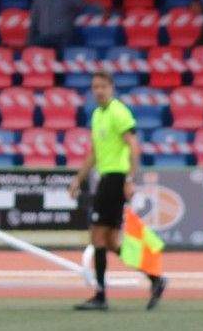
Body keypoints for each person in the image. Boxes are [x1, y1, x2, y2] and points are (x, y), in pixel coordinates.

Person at [68, 71, 166, 312]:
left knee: (97, 236)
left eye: (103, 86)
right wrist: (78, 179)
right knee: (111, 241)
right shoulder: (97, 115)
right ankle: (155, 279)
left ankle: (100, 296)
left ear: (111, 87)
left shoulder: (118, 112)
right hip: (106, 178)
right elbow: (94, 152)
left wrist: (130, 179)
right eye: (95, 87)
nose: (99, 91)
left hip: (115, 179)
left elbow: (133, 145)